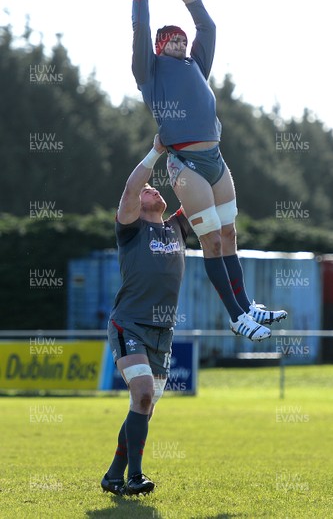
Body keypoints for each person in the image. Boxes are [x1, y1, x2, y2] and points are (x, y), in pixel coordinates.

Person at [131, 0, 287, 342]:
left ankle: (248, 305)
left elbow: (208, 25)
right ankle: (236, 317)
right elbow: (140, 27)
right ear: (159, 46)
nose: (182, 42)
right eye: (174, 40)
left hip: (215, 158)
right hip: (185, 165)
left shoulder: (195, 65)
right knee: (211, 239)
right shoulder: (148, 71)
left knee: (230, 235)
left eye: (184, 39)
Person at [101, 134, 190, 497]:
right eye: (147, 189)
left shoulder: (178, 227)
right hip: (129, 324)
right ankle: (135, 477)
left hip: (162, 333)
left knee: (144, 407)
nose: (151, 189)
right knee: (141, 395)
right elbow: (129, 189)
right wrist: (156, 150)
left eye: (154, 188)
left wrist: (194, 152)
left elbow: (204, 196)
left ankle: (112, 476)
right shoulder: (131, 228)